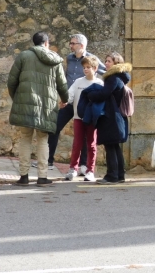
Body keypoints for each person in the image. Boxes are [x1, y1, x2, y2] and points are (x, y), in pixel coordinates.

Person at [7, 32, 68, 186]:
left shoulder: (24, 56)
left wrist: (18, 98)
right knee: (43, 140)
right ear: (47, 43)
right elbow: (62, 84)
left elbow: (11, 81)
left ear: (34, 43)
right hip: (47, 106)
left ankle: (24, 176)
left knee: (25, 138)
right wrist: (65, 99)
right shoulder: (55, 60)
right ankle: (42, 176)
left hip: (26, 102)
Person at [47, 33, 105, 172]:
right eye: (70, 43)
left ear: (82, 45)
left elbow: (104, 71)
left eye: (73, 43)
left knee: (85, 134)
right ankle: (48, 160)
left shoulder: (91, 60)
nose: (70, 46)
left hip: (84, 103)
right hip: (69, 101)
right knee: (54, 127)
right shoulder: (69, 59)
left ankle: (84, 165)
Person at [83, 52, 132, 184]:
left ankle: (112, 176)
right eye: (106, 60)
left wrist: (91, 94)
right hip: (117, 118)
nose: (106, 63)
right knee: (115, 147)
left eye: (109, 61)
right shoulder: (121, 78)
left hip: (111, 117)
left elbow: (104, 94)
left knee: (110, 147)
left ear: (116, 63)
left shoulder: (112, 78)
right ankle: (120, 175)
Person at [64, 56, 104, 182]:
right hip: (78, 117)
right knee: (77, 143)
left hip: (92, 118)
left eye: (88, 67)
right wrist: (64, 101)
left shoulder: (99, 83)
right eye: (84, 67)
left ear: (95, 68)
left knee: (91, 144)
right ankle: (73, 169)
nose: (85, 70)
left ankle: (90, 170)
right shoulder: (78, 82)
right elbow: (70, 95)